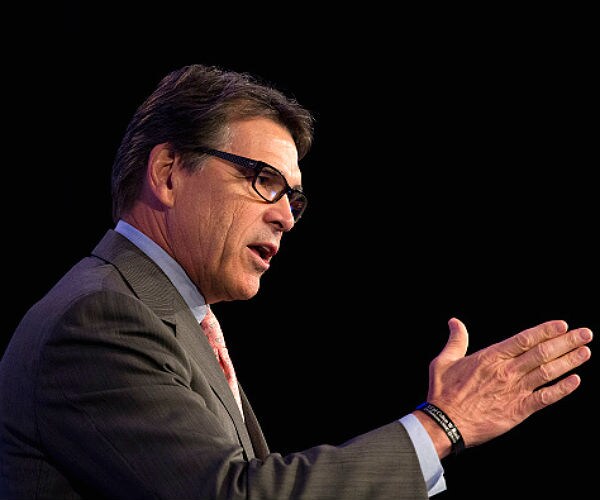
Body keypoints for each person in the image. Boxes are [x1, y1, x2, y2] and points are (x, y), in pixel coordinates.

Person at [0, 63, 592, 499]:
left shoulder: (169, 316)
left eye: (294, 198)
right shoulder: (100, 319)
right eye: (264, 181)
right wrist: (442, 425)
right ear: (168, 172)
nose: (286, 216)